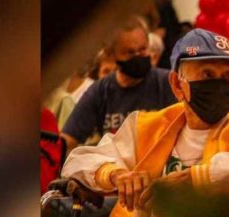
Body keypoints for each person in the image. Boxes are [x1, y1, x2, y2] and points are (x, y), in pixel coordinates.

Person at [61, 28, 229, 217]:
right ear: (178, 84)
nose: (219, 83)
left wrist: (201, 177)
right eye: (207, 74)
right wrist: (115, 175)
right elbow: (77, 160)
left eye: (228, 75)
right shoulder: (149, 125)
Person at [61, 17, 177, 152]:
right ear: (113, 55)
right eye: (130, 52)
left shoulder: (168, 82)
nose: (138, 56)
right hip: (115, 168)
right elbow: (67, 140)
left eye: (142, 49)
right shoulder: (100, 91)